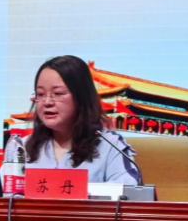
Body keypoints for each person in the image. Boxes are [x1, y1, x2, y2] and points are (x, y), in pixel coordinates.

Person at [23, 55, 141, 185]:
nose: (47, 102)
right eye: (40, 94)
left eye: (58, 93)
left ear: (82, 97)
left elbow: (128, 186)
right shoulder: (21, 147)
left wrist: (80, 191)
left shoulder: (111, 145)